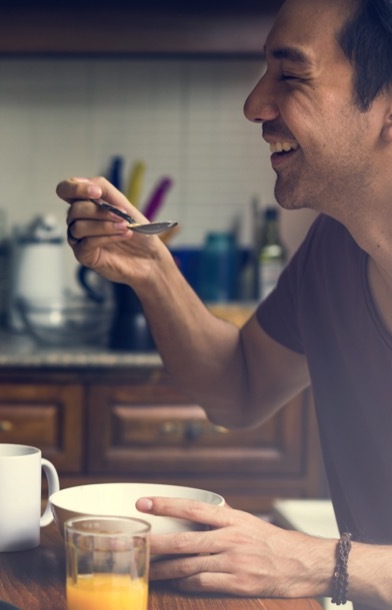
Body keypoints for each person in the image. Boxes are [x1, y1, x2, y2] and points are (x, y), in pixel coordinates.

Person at [58, 0, 392, 607]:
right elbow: (239, 386)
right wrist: (152, 270)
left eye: (290, 76)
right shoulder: (335, 249)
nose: (254, 105)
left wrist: (314, 561)